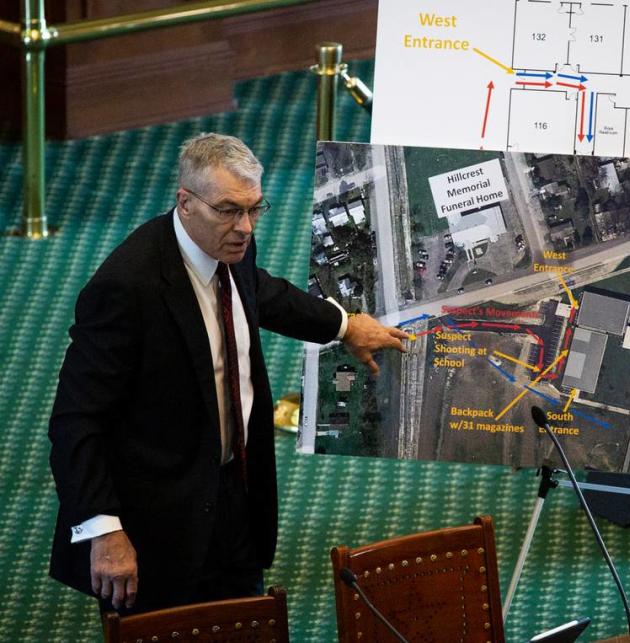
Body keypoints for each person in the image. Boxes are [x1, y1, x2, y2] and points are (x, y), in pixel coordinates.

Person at [48, 133, 408, 614]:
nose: (245, 227)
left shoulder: (231, 248)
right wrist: (104, 531)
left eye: (255, 209)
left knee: (244, 622)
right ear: (185, 203)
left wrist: (343, 325)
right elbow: (76, 421)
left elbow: (261, 293)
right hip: (155, 517)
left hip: (234, 492)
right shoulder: (125, 288)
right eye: (229, 210)